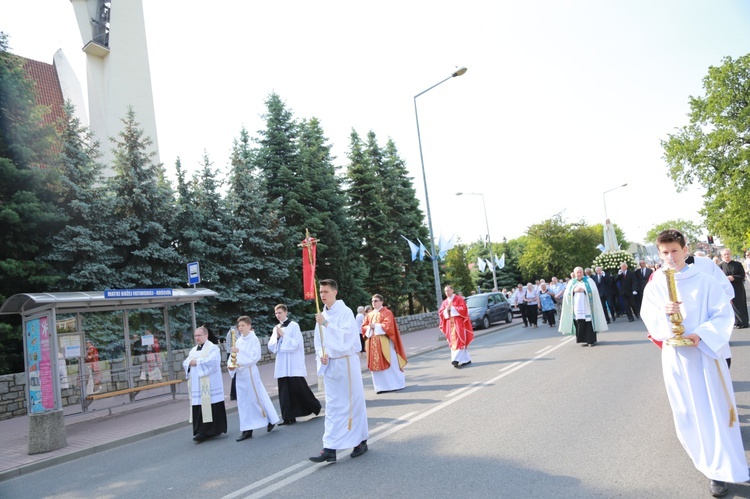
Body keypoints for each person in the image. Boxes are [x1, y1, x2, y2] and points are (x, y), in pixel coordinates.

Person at [641, 229, 748, 497]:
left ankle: (722, 471)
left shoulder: (705, 280)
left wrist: (700, 334)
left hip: (705, 354)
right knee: (688, 412)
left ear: (685, 250)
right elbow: (651, 320)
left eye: (675, 251)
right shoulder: (655, 286)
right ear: (659, 253)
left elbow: (723, 315)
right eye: (664, 252)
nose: (670, 257)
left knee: (716, 412)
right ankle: (707, 464)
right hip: (677, 358)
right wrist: (666, 316)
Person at [309, 279, 369, 462]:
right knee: (333, 407)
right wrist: (322, 355)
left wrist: (326, 324)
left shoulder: (345, 312)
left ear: (335, 292)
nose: (322, 295)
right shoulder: (321, 315)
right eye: (320, 292)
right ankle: (330, 448)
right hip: (331, 366)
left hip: (346, 364)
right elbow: (318, 342)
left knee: (352, 404)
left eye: (325, 291)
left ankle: (360, 441)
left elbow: (347, 338)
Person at [267, 304, 321, 425]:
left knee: (299, 388)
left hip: (292, 363)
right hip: (282, 364)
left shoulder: (294, 325)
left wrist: (284, 335)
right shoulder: (276, 327)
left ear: (286, 312)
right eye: (276, 313)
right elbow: (272, 346)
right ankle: (288, 417)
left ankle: (315, 406)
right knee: (284, 391)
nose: (278, 315)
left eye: (280, 312)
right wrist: (277, 337)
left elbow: (296, 344)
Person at [228, 316, 279, 442]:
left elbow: (255, 356)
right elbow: (233, 356)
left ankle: (269, 419)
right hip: (240, 375)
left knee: (256, 399)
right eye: (239, 326)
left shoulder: (253, 339)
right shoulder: (239, 341)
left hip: (250, 372)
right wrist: (231, 365)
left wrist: (239, 352)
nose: (240, 328)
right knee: (243, 402)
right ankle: (247, 430)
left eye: (243, 326)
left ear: (249, 326)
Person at [183, 326, 227, 443]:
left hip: (209, 385)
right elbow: (186, 362)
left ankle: (210, 430)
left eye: (199, 335)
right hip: (197, 385)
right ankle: (200, 431)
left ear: (206, 336)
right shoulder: (193, 350)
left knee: (210, 405)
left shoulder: (213, 348)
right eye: (195, 335)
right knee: (199, 407)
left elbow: (213, 362)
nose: (197, 337)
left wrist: (197, 362)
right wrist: (189, 364)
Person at [362, 294, 407, 393]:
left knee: (391, 363)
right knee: (376, 366)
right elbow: (364, 327)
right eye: (372, 301)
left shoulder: (387, 312)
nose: (374, 302)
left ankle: (396, 384)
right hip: (372, 343)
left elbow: (389, 326)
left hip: (385, 343)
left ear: (382, 302)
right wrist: (369, 327)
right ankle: (380, 387)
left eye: (376, 301)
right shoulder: (369, 315)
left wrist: (376, 326)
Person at [559, 267, 608, 346]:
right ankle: (582, 339)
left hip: (587, 306)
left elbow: (594, 291)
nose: (579, 274)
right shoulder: (571, 282)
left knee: (588, 322)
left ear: (583, 273)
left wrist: (584, 289)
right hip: (576, 307)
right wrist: (573, 290)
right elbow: (567, 293)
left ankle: (590, 340)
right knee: (579, 322)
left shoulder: (589, 280)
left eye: (580, 272)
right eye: (577, 273)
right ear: (574, 274)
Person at [439, 285, 474, 367]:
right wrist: (446, 310)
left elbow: (463, 309)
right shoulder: (445, 302)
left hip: (458, 323)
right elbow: (441, 313)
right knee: (453, 341)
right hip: (449, 325)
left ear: (452, 290)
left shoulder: (459, 299)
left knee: (460, 340)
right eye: (445, 291)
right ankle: (466, 359)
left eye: (448, 290)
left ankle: (455, 360)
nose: (447, 292)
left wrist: (453, 308)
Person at [719, 249, 749, 329]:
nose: (726, 256)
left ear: (730, 254)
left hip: (737, 287)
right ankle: (735, 322)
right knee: (730, 306)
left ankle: (743, 322)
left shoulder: (737, 264)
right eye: (725, 254)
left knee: (740, 304)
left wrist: (733, 277)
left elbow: (742, 275)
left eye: (728, 254)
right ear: (722, 256)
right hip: (726, 289)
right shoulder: (720, 266)